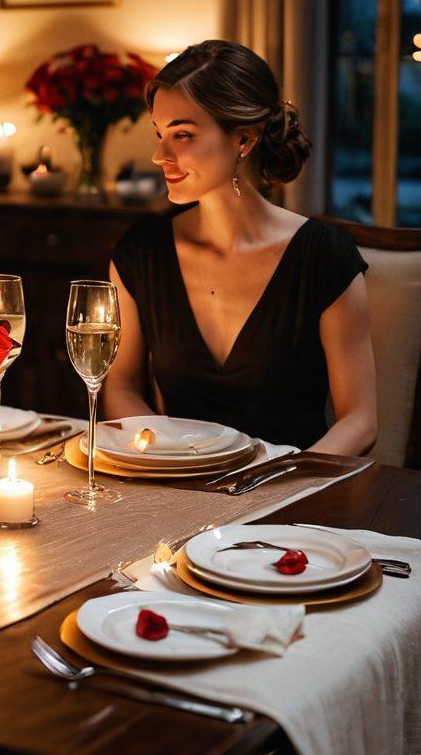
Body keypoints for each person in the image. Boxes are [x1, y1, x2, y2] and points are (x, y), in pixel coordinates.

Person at [104, 40, 377, 454]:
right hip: (179, 482)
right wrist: (166, 458)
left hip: (292, 486)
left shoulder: (324, 257)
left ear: (244, 140)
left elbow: (360, 421)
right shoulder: (141, 252)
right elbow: (120, 386)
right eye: (160, 134)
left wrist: (285, 482)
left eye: (182, 135)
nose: (160, 155)